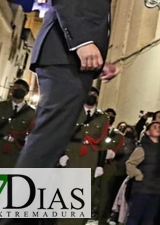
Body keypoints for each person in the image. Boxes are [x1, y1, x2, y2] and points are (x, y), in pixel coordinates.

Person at [10, 0, 136, 172]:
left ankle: (32, 212)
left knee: (53, 145)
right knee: (46, 143)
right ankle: (12, 214)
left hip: (73, 59)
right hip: (62, 55)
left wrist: (99, 58)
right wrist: (82, 42)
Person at [58, 86, 112, 225]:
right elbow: (62, 135)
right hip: (72, 153)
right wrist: (61, 154)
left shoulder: (102, 118)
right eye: (89, 93)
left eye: (95, 94)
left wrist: (100, 165)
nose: (92, 96)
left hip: (91, 156)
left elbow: (103, 142)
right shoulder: (73, 112)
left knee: (86, 192)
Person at [0, 80, 36, 169]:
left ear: (26, 93)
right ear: (11, 89)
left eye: (22, 88)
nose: (18, 89)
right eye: (16, 87)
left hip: (14, 156)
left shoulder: (31, 114)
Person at [126, 121, 160, 225]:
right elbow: (130, 164)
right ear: (147, 132)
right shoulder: (142, 148)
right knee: (135, 217)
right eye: (154, 127)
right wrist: (138, 175)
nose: (158, 129)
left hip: (157, 189)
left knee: (149, 218)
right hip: (142, 188)